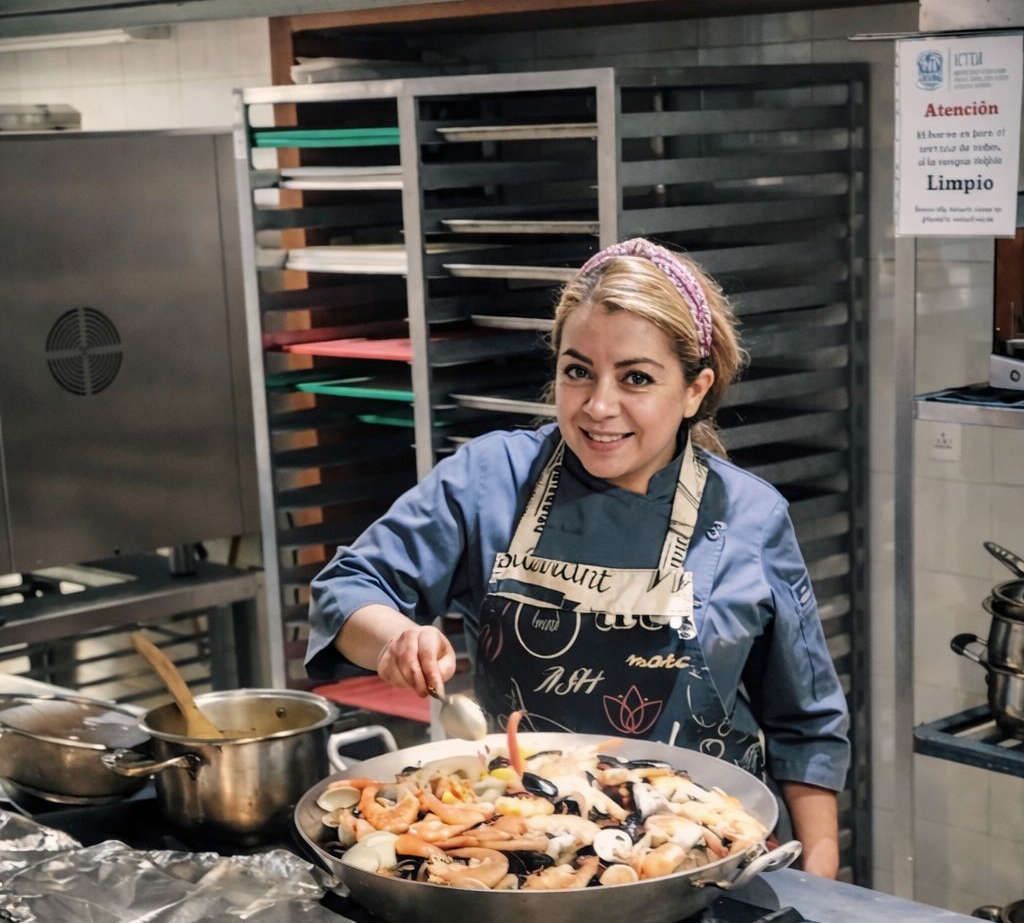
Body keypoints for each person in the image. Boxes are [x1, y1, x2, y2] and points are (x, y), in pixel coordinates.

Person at [307, 237, 850, 878]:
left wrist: (820, 881)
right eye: (578, 371)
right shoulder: (491, 479)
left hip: (703, 858)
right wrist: (396, 639)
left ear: (695, 389)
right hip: (529, 848)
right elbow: (348, 587)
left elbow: (804, 725)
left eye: (637, 378)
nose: (598, 406)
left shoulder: (750, 517)